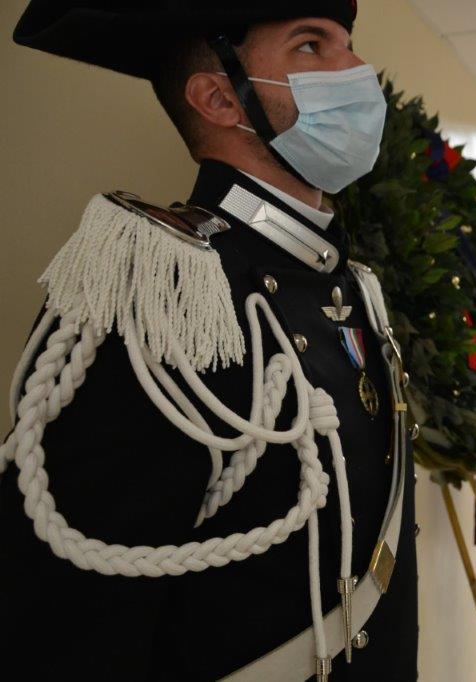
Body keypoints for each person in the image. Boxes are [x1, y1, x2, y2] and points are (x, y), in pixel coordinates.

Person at [0, 3, 417, 680]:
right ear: (220, 97)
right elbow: (70, 620)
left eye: (348, 44)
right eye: (311, 46)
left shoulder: (344, 280)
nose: (357, 70)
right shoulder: (162, 291)